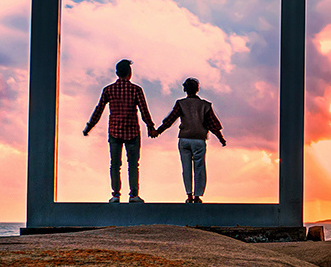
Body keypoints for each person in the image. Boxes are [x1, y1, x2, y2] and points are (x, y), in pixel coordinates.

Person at [83, 59, 155, 203]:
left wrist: (89, 127)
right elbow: (144, 111)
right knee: (133, 164)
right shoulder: (136, 89)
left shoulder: (108, 90)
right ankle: (134, 195)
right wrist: (151, 127)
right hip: (132, 132)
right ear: (130, 73)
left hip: (114, 131)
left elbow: (99, 110)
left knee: (115, 164)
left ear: (117, 73)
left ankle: (116, 195)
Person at [152, 77, 226, 203]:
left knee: (186, 167)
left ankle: (189, 195)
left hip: (184, 139)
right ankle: (198, 196)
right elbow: (213, 125)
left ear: (185, 89)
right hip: (199, 140)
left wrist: (158, 131)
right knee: (199, 168)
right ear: (197, 89)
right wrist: (221, 139)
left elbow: (170, 120)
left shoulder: (181, 103)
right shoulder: (205, 105)